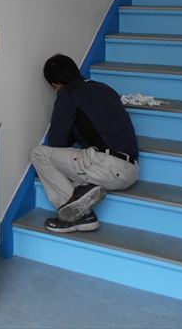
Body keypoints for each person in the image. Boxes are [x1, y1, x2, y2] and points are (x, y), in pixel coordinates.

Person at [30, 54, 139, 233]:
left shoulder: (68, 93)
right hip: (131, 171)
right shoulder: (105, 89)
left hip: (107, 166)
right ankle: (82, 192)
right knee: (78, 163)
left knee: (38, 153)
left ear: (55, 84)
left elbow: (57, 141)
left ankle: (74, 213)